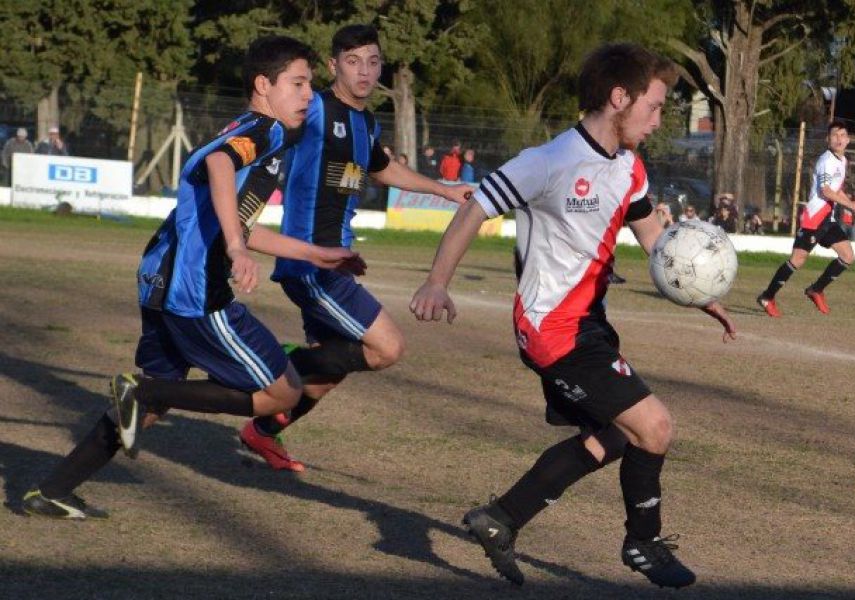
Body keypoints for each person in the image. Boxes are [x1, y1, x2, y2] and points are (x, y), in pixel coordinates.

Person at [410, 43, 735, 589]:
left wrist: (698, 289)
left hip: (589, 324)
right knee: (654, 427)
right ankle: (643, 543)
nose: (658, 120)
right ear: (618, 98)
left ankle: (502, 519)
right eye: (653, 106)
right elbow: (475, 207)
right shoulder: (550, 161)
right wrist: (437, 281)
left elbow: (651, 233)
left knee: (616, 436)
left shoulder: (629, 168)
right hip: (553, 329)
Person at [21, 36, 364, 519]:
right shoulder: (261, 131)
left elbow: (238, 216)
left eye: (310, 85)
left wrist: (314, 252)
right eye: (299, 83)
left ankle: (52, 489)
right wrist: (235, 247)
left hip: (160, 277)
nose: (309, 94)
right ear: (264, 85)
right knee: (281, 391)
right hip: (196, 289)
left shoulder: (257, 130)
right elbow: (219, 163)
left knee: (148, 404)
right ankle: (144, 392)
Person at [238, 24, 472, 472]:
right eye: (352, 61)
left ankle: (262, 432)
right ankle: (284, 364)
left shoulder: (366, 122)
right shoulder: (316, 108)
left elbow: (383, 169)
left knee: (330, 373)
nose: (364, 71)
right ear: (332, 66)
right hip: (311, 261)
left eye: (372, 61)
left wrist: (444, 191)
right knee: (386, 348)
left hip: (337, 261)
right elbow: (265, 132)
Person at [756, 120, 855, 317]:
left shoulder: (842, 161)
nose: (839, 139)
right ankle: (767, 296)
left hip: (827, 219)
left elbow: (835, 190)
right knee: (797, 260)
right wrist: (851, 206)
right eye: (834, 135)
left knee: (847, 256)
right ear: (827, 139)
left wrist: (850, 202)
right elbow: (825, 191)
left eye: (842, 135)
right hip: (814, 218)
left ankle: (816, 289)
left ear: (848, 140)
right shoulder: (827, 161)